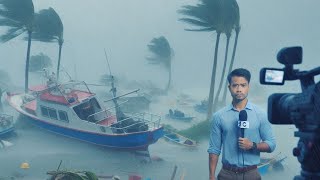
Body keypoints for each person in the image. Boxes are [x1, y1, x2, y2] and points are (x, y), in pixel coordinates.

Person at [208, 68, 276, 180]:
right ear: (229, 88)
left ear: (248, 86)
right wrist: (211, 176)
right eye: (235, 85)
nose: (239, 89)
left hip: (252, 173)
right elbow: (214, 149)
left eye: (243, 85)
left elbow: (271, 144)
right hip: (226, 174)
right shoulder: (219, 116)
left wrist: (253, 145)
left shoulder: (261, 114)